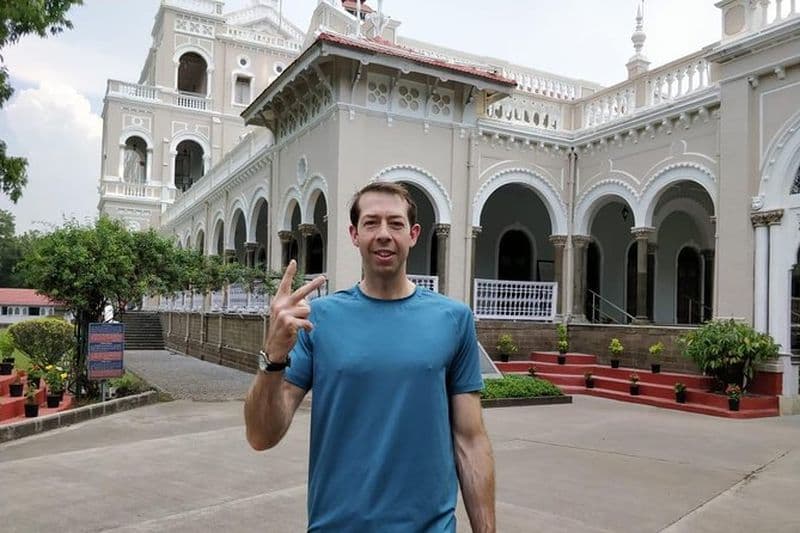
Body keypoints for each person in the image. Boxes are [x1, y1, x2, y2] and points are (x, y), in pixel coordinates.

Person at [244, 182, 496, 532]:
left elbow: (470, 439)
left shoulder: (453, 319)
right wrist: (272, 356)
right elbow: (261, 435)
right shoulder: (318, 320)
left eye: (395, 224)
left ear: (414, 234)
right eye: (371, 223)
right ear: (353, 234)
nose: (383, 234)